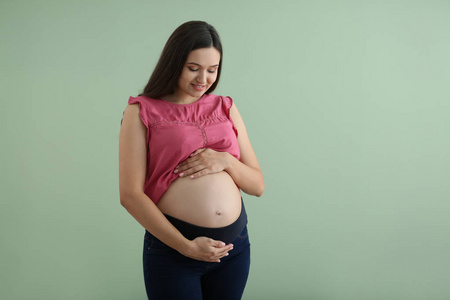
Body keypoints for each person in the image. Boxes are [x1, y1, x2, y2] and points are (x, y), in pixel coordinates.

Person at [119, 20, 264, 300]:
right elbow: (129, 195)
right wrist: (185, 246)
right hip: (173, 252)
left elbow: (257, 185)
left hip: (233, 250)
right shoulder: (141, 112)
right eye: (193, 68)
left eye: (213, 70)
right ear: (174, 63)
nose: (203, 79)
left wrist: (226, 161)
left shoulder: (226, 107)